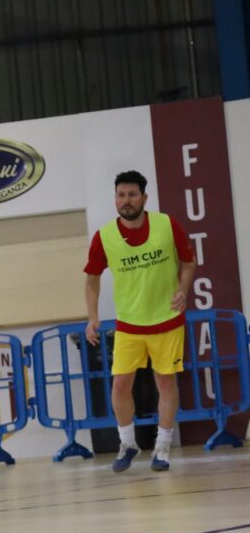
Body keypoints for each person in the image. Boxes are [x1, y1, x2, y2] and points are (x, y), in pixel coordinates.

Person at [84, 170, 196, 473]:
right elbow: (92, 279)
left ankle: (162, 446)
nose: (126, 200)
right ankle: (128, 443)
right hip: (129, 325)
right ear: (115, 199)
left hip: (166, 321)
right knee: (120, 385)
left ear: (144, 198)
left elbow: (189, 262)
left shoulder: (166, 225)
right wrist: (93, 317)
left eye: (132, 195)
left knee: (165, 381)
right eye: (121, 195)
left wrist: (183, 291)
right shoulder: (104, 236)